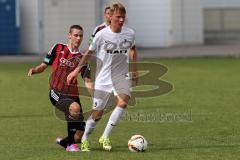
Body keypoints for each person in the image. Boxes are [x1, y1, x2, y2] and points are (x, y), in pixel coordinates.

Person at [67, 2, 138, 151]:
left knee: (123, 102)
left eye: (123, 17)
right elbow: (89, 53)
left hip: (121, 75)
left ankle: (105, 137)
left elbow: (132, 49)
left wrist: (135, 69)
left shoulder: (130, 33)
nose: (121, 20)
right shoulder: (101, 34)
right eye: (118, 17)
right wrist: (76, 70)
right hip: (103, 78)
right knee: (97, 114)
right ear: (110, 16)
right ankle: (85, 138)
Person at [27, 25, 93, 152]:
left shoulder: (82, 58)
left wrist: (95, 97)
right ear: (69, 35)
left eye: (81, 36)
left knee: (79, 135)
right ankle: (70, 145)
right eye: (76, 35)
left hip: (73, 95)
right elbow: (43, 65)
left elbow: (87, 80)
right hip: (56, 91)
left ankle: (64, 142)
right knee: (74, 108)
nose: (78, 38)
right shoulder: (58, 48)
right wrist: (34, 70)